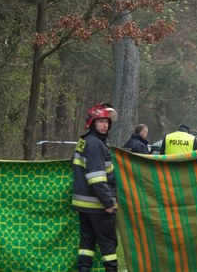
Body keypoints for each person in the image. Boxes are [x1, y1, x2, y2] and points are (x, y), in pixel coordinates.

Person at [71, 103, 119, 272]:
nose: (105, 125)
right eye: (101, 121)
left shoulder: (84, 141)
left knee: (87, 243)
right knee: (108, 244)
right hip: (98, 206)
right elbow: (96, 178)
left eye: (107, 122)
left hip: (85, 206)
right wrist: (108, 203)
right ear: (92, 123)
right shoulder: (95, 144)